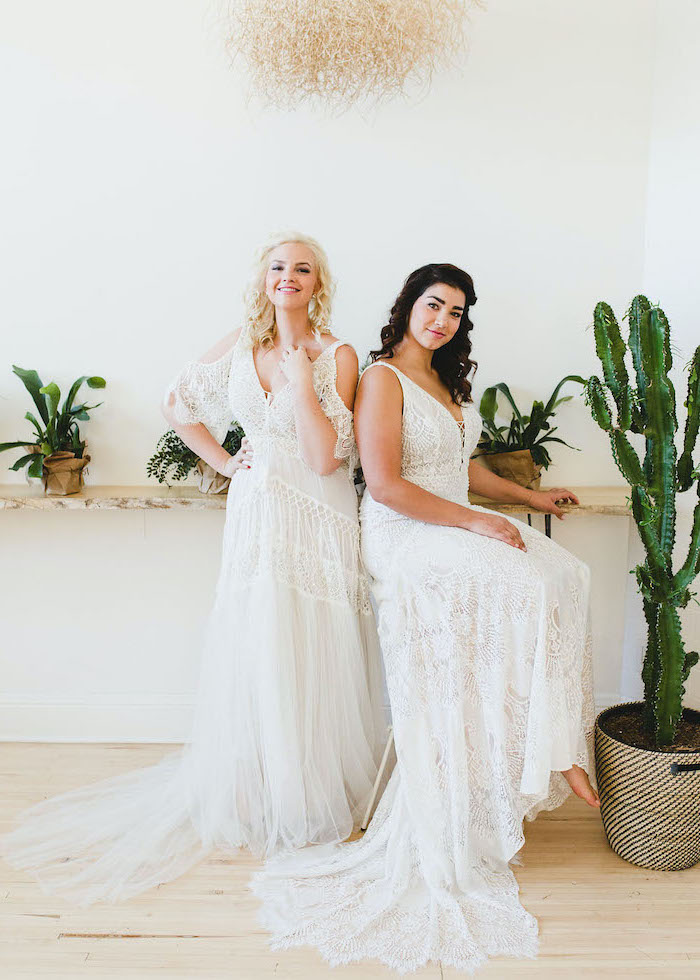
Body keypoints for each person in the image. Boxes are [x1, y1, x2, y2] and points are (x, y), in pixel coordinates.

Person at [0, 233, 385, 906]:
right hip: (257, 509)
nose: (287, 276)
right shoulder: (238, 345)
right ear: (262, 279)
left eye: (302, 269)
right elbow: (176, 404)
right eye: (277, 266)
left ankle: (312, 796)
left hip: (315, 511)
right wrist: (222, 459)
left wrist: (300, 386)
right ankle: (256, 791)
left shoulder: (338, 354)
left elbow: (327, 459)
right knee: (257, 637)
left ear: (318, 284)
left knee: (309, 642)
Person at [251, 263, 598, 974]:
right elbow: (385, 484)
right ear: (408, 306)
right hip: (405, 532)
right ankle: (556, 751)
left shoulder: (447, 381)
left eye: (454, 313)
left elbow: (461, 467)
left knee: (567, 572)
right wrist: (477, 526)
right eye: (433, 305)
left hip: (449, 519)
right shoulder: (382, 377)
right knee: (525, 586)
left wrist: (525, 502)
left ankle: (545, 738)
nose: (442, 320)